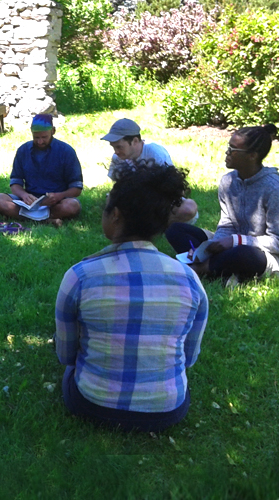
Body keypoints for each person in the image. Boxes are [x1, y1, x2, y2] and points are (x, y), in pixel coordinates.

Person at [55, 163, 208, 432]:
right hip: (168, 410)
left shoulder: (80, 276)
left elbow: (66, 355)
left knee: (72, 369)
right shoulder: (190, 280)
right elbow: (189, 357)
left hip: (91, 404)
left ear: (115, 216)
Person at [165, 124, 279, 283]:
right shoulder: (228, 181)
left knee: (243, 254)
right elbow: (227, 224)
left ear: (252, 155)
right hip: (235, 243)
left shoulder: (275, 189)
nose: (227, 153)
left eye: (233, 150)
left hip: (274, 256)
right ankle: (217, 267)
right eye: (228, 146)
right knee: (175, 229)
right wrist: (211, 247)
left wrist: (235, 241)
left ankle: (198, 269)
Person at [0, 113, 83, 226]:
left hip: (56, 202)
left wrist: (59, 196)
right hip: (30, 202)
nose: (40, 142)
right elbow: (15, 182)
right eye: (36, 137)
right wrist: (24, 195)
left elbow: (77, 188)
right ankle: (46, 220)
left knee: (72, 206)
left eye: (44, 137)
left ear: (53, 131)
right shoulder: (23, 150)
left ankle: (27, 218)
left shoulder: (66, 151)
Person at [101, 118, 198, 225]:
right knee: (110, 199)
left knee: (188, 209)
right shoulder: (117, 158)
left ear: (135, 141)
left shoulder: (156, 153)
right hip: (136, 202)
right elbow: (118, 188)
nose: (116, 152)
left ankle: (155, 225)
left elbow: (175, 190)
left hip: (161, 202)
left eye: (119, 147)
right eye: (113, 147)